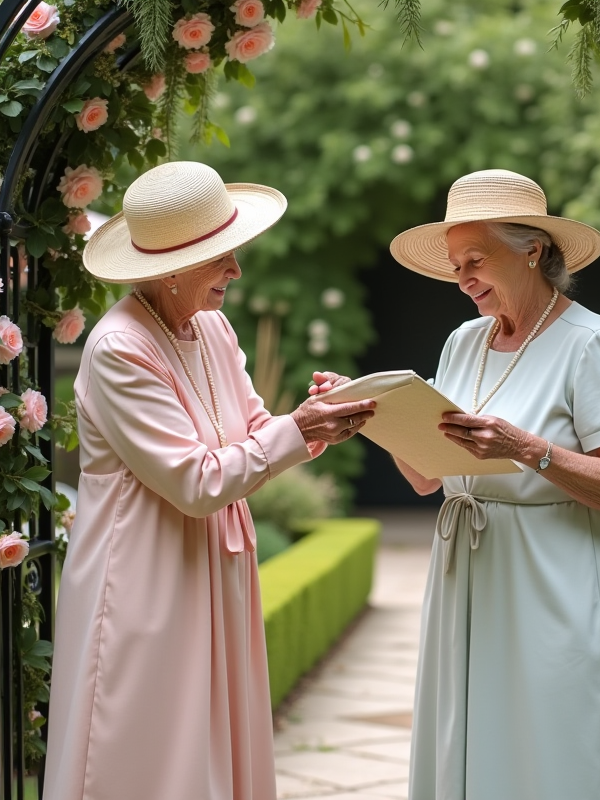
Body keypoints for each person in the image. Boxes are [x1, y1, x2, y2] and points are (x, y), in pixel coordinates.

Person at [43, 162, 374, 800]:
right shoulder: (120, 348)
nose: (236, 271)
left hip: (216, 568)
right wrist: (296, 429)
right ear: (171, 267)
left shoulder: (212, 327)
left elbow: (252, 427)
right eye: (222, 256)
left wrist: (323, 421)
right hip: (147, 579)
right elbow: (196, 480)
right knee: (151, 748)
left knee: (215, 742)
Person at [388, 169, 600, 800]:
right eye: (455, 266)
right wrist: (378, 419)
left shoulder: (589, 343)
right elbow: (427, 476)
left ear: (532, 249)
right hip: (465, 577)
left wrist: (529, 451)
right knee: (466, 742)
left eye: (475, 260)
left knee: (553, 749)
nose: (463, 279)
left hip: (551, 582)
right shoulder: (463, 342)